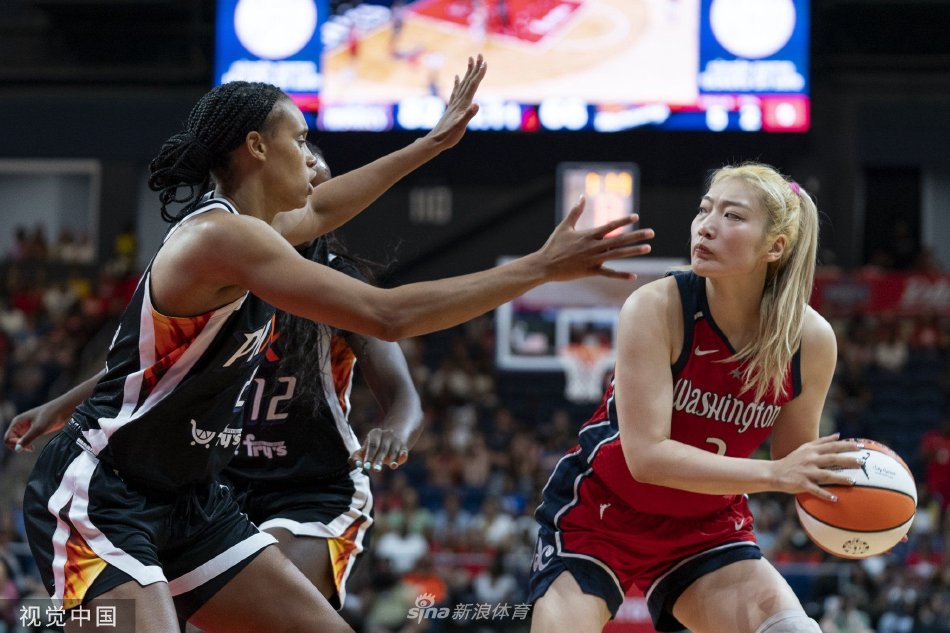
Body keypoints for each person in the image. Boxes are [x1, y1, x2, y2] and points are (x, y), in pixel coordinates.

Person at [4, 55, 653, 633]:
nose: (311, 155)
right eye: (301, 139)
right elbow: (386, 314)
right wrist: (537, 268)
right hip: (106, 491)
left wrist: (430, 143)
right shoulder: (223, 239)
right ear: (257, 147)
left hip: (188, 500)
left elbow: (150, 352)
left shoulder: (257, 232)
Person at [527, 162, 864, 633]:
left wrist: (871, 506)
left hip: (704, 526)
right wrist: (774, 473)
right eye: (705, 210)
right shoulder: (656, 306)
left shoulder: (809, 339)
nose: (706, 225)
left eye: (732, 216)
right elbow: (646, 457)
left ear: (776, 246)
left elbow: (795, 461)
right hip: (599, 516)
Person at [220, 146, 423, 611]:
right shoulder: (225, 272)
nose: (310, 193)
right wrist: (62, 406)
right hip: (221, 484)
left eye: (320, 189)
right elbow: (151, 367)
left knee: (250, 600)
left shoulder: (337, 282)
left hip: (314, 488)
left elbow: (402, 394)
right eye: (303, 182)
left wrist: (395, 429)